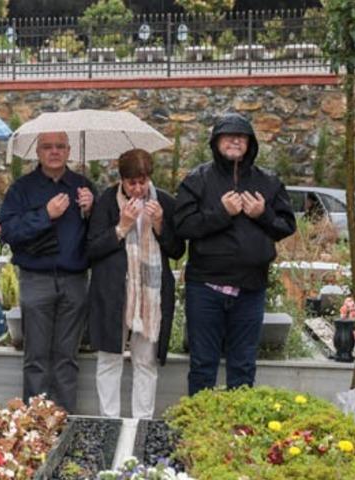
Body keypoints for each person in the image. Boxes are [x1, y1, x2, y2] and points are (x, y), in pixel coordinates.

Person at [174, 113, 296, 396]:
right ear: (216, 142)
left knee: (243, 366)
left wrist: (261, 214)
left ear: (250, 143)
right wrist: (221, 213)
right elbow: (182, 225)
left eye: (241, 136)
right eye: (228, 136)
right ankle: (200, 430)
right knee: (203, 364)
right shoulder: (197, 180)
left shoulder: (268, 181)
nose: (235, 141)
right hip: (205, 287)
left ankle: (239, 434)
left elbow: (286, 225)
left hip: (250, 289)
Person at [0, 131, 95, 413]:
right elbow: (8, 231)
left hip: (74, 280)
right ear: (37, 152)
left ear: (69, 151)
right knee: (36, 357)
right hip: (36, 279)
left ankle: (63, 419)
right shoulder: (22, 189)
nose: (54, 152)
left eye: (60, 147)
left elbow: (100, 237)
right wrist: (45, 215)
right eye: (47, 147)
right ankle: (36, 422)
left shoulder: (83, 187)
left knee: (67, 357)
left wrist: (91, 211)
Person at [86, 149, 185, 419]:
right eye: (132, 183)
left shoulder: (164, 201)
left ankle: (142, 422)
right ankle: (110, 421)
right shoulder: (106, 201)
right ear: (122, 180)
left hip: (150, 295)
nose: (138, 188)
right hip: (113, 293)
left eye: (143, 182)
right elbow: (91, 249)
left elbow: (177, 250)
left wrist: (160, 224)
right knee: (109, 359)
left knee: (145, 361)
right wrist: (122, 226)